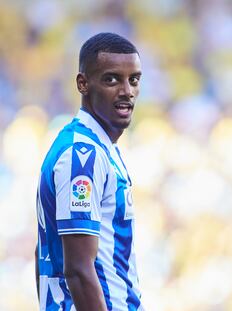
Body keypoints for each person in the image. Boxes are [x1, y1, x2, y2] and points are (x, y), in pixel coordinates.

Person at [35, 32, 144, 311]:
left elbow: (43, 251)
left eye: (134, 80)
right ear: (83, 84)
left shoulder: (99, 148)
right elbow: (79, 270)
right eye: (112, 79)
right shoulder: (82, 156)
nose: (127, 91)